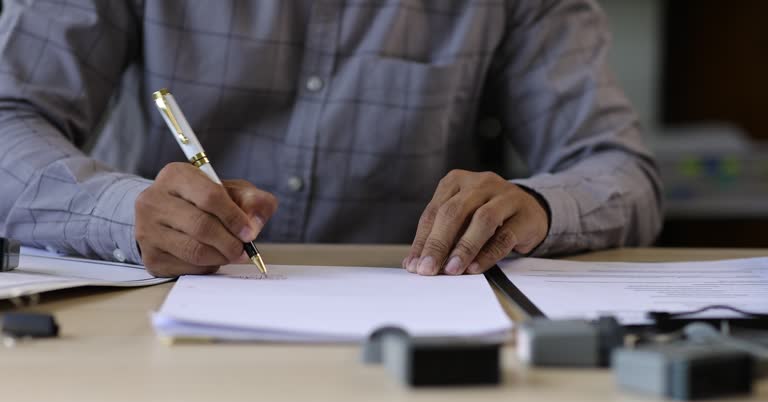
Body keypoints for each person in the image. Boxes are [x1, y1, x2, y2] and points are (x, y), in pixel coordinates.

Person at [0, 0, 662, 277]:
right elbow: (8, 117)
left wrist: (536, 206)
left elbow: (620, 167)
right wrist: (124, 212)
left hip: (416, 335)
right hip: (159, 318)